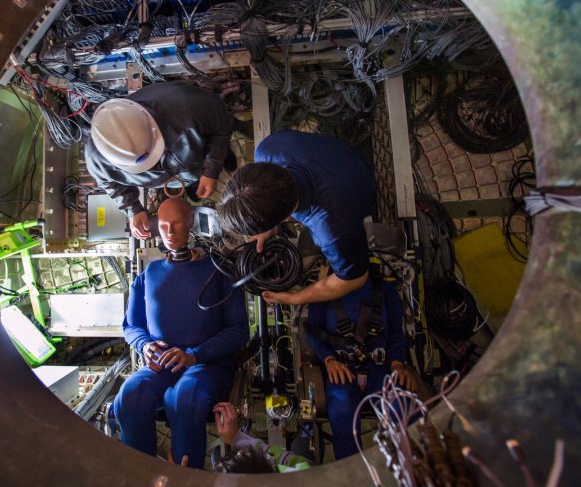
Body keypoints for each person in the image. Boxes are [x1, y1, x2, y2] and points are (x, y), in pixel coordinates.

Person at [113, 197, 248, 469]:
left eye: (176, 224)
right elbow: (131, 326)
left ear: (190, 224)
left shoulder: (218, 272)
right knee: (130, 394)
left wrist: (193, 355)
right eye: (163, 225)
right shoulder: (150, 274)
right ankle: (142, 473)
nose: (170, 232)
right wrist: (144, 345)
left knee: (185, 397)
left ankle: (188, 476)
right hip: (161, 362)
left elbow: (238, 331)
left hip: (207, 365)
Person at [218, 129, 377, 305]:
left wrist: (296, 298)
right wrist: (263, 213)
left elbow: (355, 279)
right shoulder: (267, 149)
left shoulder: (331, 232)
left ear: (285, 218)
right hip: (341, 157)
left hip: (364, 182)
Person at [85, 80, 235, 240]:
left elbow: (223, 124)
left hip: (199, 151)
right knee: (196, 191)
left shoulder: (187, 105)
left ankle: (221, 159)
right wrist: (133, 209)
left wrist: (212, 168)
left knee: (222, 154)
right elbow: (111, 185)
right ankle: (193, 181)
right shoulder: (97, 161)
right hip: (177, 176)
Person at [304, 275, 417, 459]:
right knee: (342, 407)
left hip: (378, 367)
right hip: (341, 369)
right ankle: (352, 473)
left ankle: (413, 469)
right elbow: (313, 332)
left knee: (401, 406)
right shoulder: (321, 289)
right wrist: (329, 359)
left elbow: (397, 331)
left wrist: (397, 363)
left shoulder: (384, 287)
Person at [212, 401, 313, 473]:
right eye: (241, 456)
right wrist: (236, 438)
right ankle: (308, 426)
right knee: (301, 443)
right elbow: (304, 466)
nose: (240, 451)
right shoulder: (303, 475)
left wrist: (235, 439)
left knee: (217, 453)